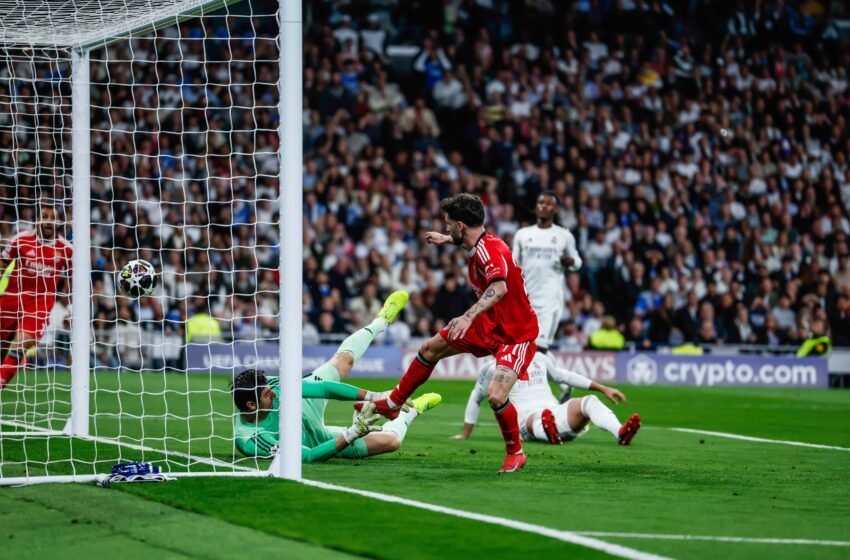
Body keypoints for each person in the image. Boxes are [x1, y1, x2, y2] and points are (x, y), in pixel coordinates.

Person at [364, 194, 539, 474]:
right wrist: (445, 240)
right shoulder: (476, 242)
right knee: (430, 348)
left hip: (515, 334)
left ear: (461, 224)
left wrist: (468, 316)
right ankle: (394, 403)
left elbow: (500, 287)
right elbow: (468, 245)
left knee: (495, 395)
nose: (446, 228)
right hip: (489, 323)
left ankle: (516, 453)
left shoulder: (491, 251)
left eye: (448, 225)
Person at [232, 291, 442, 461]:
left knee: (343, 361)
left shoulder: (276, 387)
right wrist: (353, 432)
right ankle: (412, 411)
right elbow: (309, 456)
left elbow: (324, 389)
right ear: (251, 405)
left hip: (304, 406)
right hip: (314, 440)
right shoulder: (252, 439)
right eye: (268, 395)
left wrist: (377, 397)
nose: (274, 394)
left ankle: (380, 322)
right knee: (391, 442)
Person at [453, 351, 641, 447]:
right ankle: (548, 431)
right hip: (525, 419)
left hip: (554, 411)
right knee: (537, 418)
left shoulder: (539, 358)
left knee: (589, 401)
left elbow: (564, 376)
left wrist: (602, 388)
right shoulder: (492, 368)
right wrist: (465, 434)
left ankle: (621, 433)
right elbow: (476, 398)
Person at [0, 202, 72, 389]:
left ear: (59, 222)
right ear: (37, 219)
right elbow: (2, 263)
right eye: (45, 216)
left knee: (20, 344)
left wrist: (71, 309)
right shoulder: (21, 240)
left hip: (39, 306)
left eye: (53, 218)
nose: (48, 221)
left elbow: (73, 282)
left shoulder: (66, 249)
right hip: (10, 300)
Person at [512, 191, 582, 352]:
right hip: (526, 300)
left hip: (550, 301)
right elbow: (514, 265)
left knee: (539, 348)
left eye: (549, 203)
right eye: (541, 203)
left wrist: (571, 262)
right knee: (523, 349)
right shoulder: (522, 235)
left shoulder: (564, 235)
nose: (544, 206)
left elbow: (578, 262)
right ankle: (567, 377)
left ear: (556, 209)